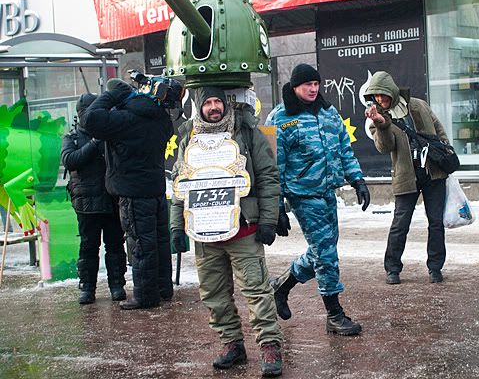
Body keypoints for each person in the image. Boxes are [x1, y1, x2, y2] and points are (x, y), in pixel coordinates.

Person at [169, 87, 283, 376]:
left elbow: (268, 177)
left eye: (218, 100)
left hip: (243, 230)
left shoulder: (247, 133)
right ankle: (231, 343)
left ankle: (269, 345)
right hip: (205, 234)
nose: (213, 107)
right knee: (214, 294)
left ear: (226, 103)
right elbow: (180, 184)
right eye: (207, 102)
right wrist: (176, 227)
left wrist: (269, 219)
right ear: (199, 107)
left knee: (257, 292)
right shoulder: (189, 138)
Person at [267, 63, 370, 336]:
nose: (313, 89)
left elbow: (345, 150)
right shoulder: (279, 118)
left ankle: (282, 286)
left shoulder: (329, 113)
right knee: (326, 254)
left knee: (321, 251)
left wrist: (357, 179)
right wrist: (275, 207)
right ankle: (334, 314)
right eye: (307, 85)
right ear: (294, 87)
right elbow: (272, 166)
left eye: (316, 83)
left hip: (327, 192)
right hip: (302, 195)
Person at [81, 78, 174, 310]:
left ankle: (144, 296)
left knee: (141, 245)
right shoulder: (160, 116)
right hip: (156, 189)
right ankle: (163, 289)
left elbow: (90, 119)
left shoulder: (123, 120)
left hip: (133, 192)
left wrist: (113, 95)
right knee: (160, 242)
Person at [363, 71, 449, 285]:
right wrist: (382, 124)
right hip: (406, 175)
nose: (380, 100)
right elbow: (385, 147)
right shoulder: (378, 118)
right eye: (376, 97)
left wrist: (446, 150)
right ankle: (392, 269)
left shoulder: (419, 105)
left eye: (383, 95)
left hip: (433, 172)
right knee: (400, 224)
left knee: (436, 222)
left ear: (391, 90)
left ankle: (435, 268)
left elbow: (437, 127)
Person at [61, 93, 127, 305]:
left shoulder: (110, 134)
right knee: (88, 247)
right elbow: (70, 160)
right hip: (86, 202)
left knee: (115, 246)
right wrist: (94, 142)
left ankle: (117, 284)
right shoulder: (71, 137)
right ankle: (87, 288)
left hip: (111, 199)